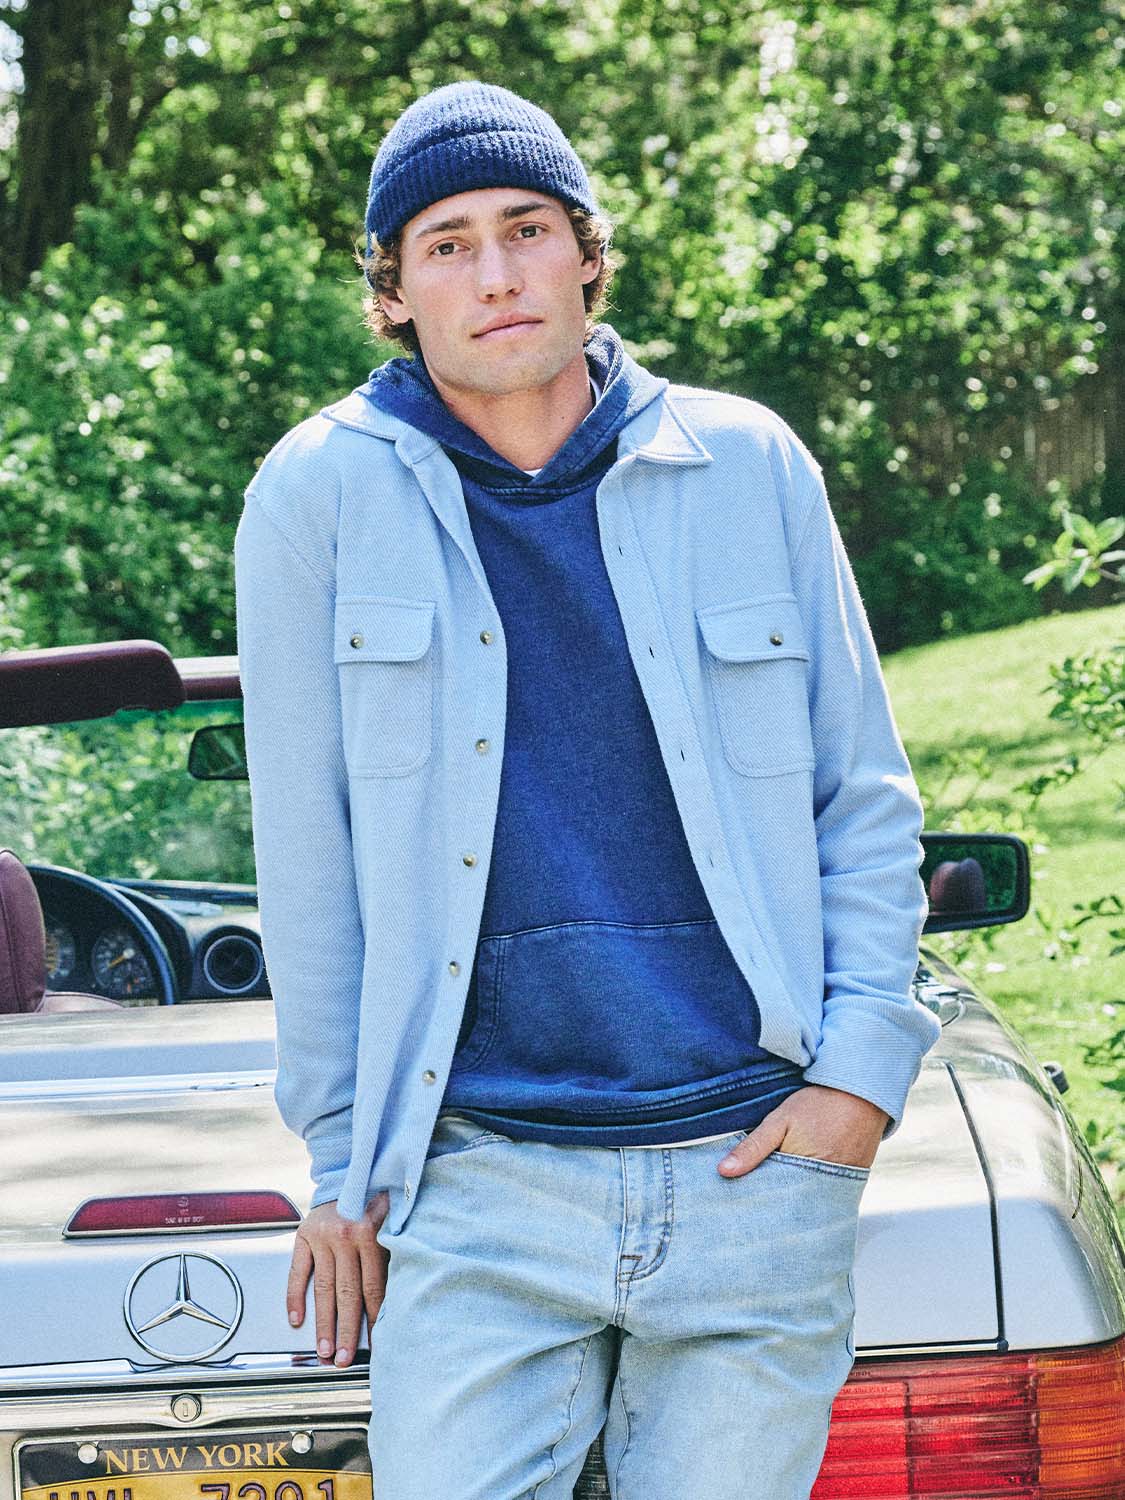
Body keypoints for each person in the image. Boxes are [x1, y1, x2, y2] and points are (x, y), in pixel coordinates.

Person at [234, 79, 942, 1500]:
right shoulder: (317, 496)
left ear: (585, 253)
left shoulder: (747, 464)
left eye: (527, 229)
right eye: (447, 245)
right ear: (394, 290)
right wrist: (342, 1163)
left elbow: (859, 799)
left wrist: (856, 1087)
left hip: (752, 1165)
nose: (495, 275)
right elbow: (309, 863)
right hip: (477, 1182)